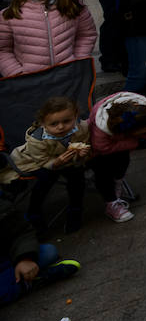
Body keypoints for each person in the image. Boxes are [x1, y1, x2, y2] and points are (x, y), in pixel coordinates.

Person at [9, 96, 91, 234]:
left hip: (68, 161)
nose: (61, 127)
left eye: (67, 121)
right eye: (54, 124)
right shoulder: (37, 139)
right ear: (43, 124)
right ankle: (34, 212)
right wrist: (56, 163)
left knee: (77, 176)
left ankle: (75, 209)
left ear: (75, 116)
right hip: (33, 161)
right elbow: (42, 161)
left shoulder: (81, 128)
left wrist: (82, 154)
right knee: (46, 178)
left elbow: (84, 145)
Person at [0, 0, 97, 78]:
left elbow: (86, 35)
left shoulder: (73, 7)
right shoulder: (10, 14)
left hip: (70, 76)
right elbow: (3, 49)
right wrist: (16, 73)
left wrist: (78, 60)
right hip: (29, 80)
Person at [88, 92, 146, 223]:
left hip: (121, 144)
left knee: (122, 162)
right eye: (144, 128)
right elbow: (101, 147)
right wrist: (135, 142)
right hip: (96, 153)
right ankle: (111, 203)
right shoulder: (102, 128)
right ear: (128, 129)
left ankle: (118, 182)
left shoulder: (144, 109)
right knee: (103, 173)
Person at [0, 190, 80, 307]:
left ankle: (24, 277)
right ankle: (30, 281)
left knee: (48, 252)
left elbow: (20, 230)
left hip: (6, 259)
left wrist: (25, 258)